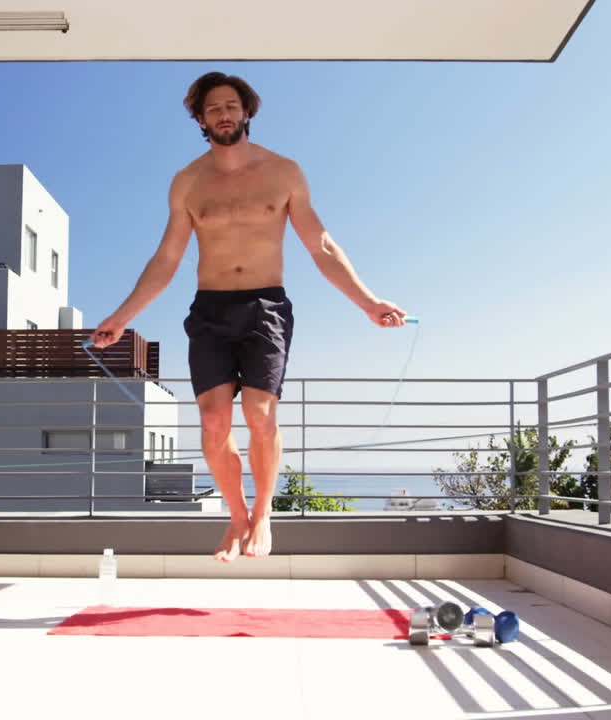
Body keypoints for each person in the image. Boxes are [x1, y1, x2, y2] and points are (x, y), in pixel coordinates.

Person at [90, 71, 406, 562]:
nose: (224, 114)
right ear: (200, 118)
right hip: (210, 309)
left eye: (231, 105)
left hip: (266, 307)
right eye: (213, 108)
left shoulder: (284, 172)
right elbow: (166, 260)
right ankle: (236, 517)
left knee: (260, 417)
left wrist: (369, 303)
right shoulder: (188, 183)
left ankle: (263, 515)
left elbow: (320, 246)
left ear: (247, 112)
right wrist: (121, 316)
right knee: (214, 423)